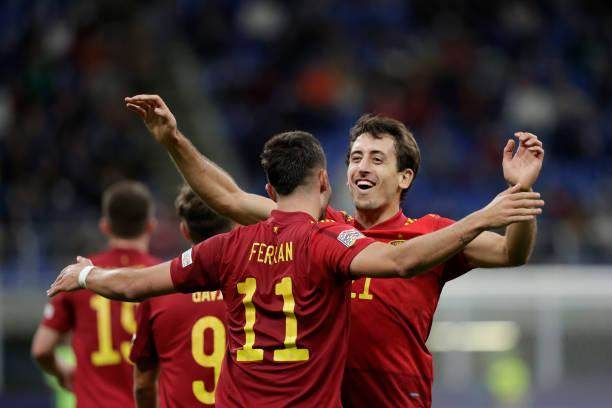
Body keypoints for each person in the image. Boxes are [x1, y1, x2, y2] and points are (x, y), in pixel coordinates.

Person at [47, 127, 543, 407]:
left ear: (404, 177)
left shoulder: (432, 233)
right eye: (354, 157)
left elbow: (511, 254)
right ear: (332, 176)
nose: (361, 166)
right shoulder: (320, 231)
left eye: (376, 159)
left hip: (396, 397)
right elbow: (226, 197)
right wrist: (174, 139)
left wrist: (519, 192)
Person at [32, 181, 160, 407]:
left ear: (105, 226)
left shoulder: (80, 276)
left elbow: (41, 349)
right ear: (150, 226)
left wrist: (62, 373)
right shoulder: (163, 278)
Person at [131, 186, 233, 407]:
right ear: (234, 224)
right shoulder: (254, 285)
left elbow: (143, 384)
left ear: (184, 231)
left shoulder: (157, 292)